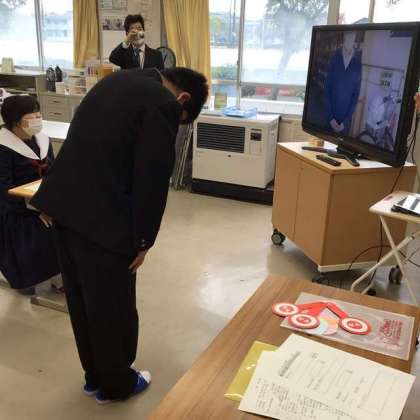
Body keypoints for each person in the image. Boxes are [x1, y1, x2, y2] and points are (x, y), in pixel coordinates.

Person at [30, 67, 208, 404]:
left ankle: (94, 377)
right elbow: (152, 177)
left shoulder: (116, 80)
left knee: (82, 300)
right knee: (113, 306)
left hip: (63, 210)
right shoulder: (162, 103)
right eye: (181, 119)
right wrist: (143, 240)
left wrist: (51, 197)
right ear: (182, 99)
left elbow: (77, 142)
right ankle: (117, 385)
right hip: (105, 220)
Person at [0, 95, 61, 291]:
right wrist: (37, 209)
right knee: (40, 231)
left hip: (43, 202)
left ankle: (62, 275)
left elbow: (53, 175)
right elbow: (4, 190)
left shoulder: (42, 141)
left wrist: (50, 206)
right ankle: (33, 279)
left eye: (38, 112)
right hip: (16, 208)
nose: (38, 117)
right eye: (31, 114)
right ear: (15, 120)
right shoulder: (3, 147)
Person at [325, 31, 362, 136]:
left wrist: (345, 122)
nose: (350, 41)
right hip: (330, 119)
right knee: (326, 141)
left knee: (342, 145)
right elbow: (327, 89)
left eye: (352, 38)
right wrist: (330, 118)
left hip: (344, 124)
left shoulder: (357, 63)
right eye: (348, 37)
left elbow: (355, 94)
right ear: (344, 38)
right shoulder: (334, 58)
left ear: (354, 39)